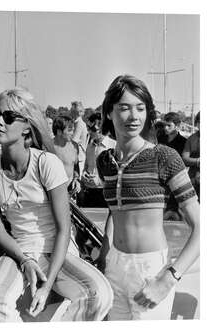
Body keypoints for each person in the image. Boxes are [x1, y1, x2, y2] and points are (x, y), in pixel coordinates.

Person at [0, 88, 113, 322]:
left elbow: (63, 228)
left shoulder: (46, 164)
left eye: (8, 117)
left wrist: (47, 285)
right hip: (20, 250)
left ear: (27, 127)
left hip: (57, 249)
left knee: (99, 294)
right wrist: (25, 260)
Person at [96, 75, 200, 320]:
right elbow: (116, 210)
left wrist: (168, 277)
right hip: (113, 267)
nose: (134, 116)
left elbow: (202, 227)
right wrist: (104, 251)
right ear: (109, 112)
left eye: (140, 108)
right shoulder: (105, 162)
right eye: (124, 108)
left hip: (151, 269)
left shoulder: (164, 157)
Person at [79, 112, 115, 207]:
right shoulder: (89, 146)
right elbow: (87, 166)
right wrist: (84, 175)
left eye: (93, 129)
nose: (89, 132)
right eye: (88, 128)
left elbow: (117, 173)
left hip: (106, 193)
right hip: (89, 191)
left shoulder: (114, 146)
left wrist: (99, 181)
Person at [51, 115, 81, 197]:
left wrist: (76, 179)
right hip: (52, 193)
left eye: (73, 130)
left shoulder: (74, 146)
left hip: (70, 192)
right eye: (70, 130)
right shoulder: (48, 147)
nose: (72, 133)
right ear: (59, 131)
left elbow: (75, 166)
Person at [181, 112, 200, 200]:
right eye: (200, 121)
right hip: (194, 178)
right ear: (197, 123)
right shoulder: (192, 139)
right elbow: (184, 158)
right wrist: (197, 161)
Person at [71, 101, 88, 172]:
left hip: (79, 157)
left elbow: (74, 140)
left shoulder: (79, 124)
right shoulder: (77, 123)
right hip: (79, 157)